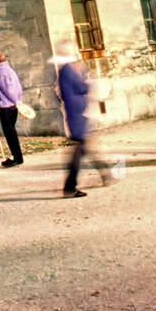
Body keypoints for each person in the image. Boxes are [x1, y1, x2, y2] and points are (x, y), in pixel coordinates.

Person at [55, 41, 112, 197]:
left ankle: (105, 174)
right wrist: (91, 84)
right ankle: (69, 187)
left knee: (86, 147)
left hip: (81, 112)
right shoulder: (67, 70)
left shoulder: (71, 68)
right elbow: (80, 87)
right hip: (77, 114)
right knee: (80, 150)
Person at [0, 52, 24, 167]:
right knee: (11, 132)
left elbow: (8, 89)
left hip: (6, 106)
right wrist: (19, 100)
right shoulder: (10, 70)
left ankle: (17, 157)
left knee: (9, 133)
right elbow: (18, 87)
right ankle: (17, 156)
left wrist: (16, 101)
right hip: (13, 105)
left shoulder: (1, 72)